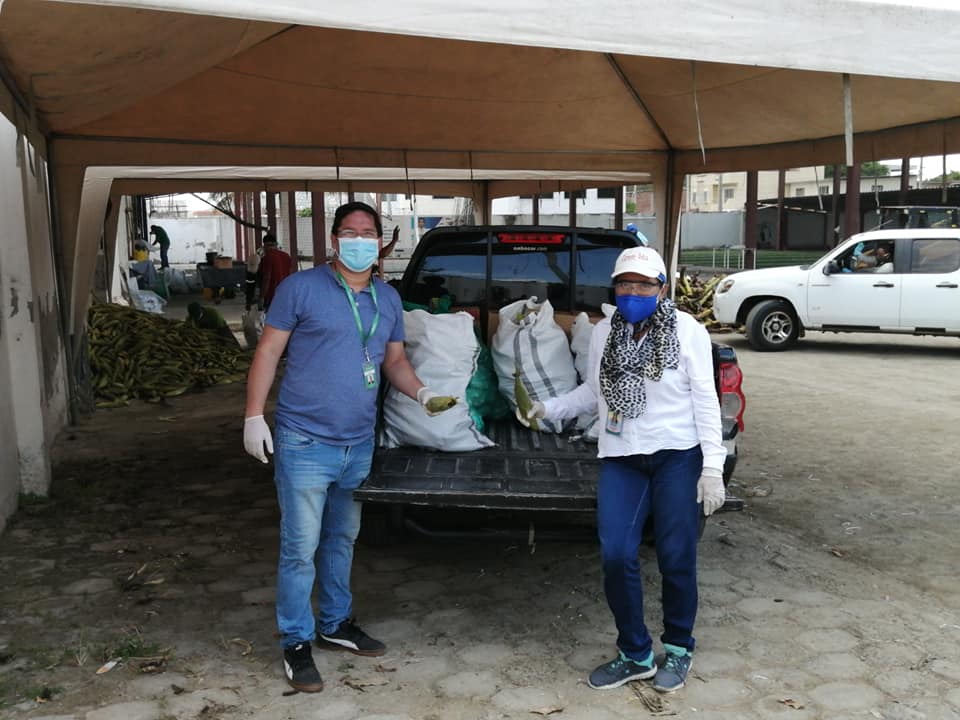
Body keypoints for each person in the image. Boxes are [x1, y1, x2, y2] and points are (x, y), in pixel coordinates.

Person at [242, 201, 453, 694]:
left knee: (341, 539)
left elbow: (393, 361)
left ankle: (335, 623)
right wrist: (253, 415)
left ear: (382, 243)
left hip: (358, 442)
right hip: (304, 439)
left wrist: (422, 392)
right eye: (350, 232)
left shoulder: (388, 298)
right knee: (300, 548)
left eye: (368, 233)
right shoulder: (300, 288)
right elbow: (268, 350)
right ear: (335, 240)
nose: (359, 241)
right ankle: (296, 641)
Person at [518, 246, 724, 694]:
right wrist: (548, 408)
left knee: (676, 556)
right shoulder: (605, 330)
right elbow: (595, 390)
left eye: (644, 285)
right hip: (622, 455)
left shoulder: (687, 330)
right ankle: (635, 653)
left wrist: (713, 466)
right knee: (615, 553)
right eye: (625, 284)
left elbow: (706, 400)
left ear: (661, 289)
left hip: (677, 455)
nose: (633, 292)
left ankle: (679, 647)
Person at [257, 233, 293, 310]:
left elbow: (267, 278)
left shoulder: (267, 257)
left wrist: (262, 297)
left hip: (273, 296)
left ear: (264, 245)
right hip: (286, 294)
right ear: (276, 244)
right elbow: (291, 276)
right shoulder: (286, 256)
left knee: (272, 316)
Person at [245, 241, 264, 310]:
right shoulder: (259, 258)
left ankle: (248, 304)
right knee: (258, 290)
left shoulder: (251, 256)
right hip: (256, 275)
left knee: (249, 290)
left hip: (249, 275)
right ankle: (259, 305)